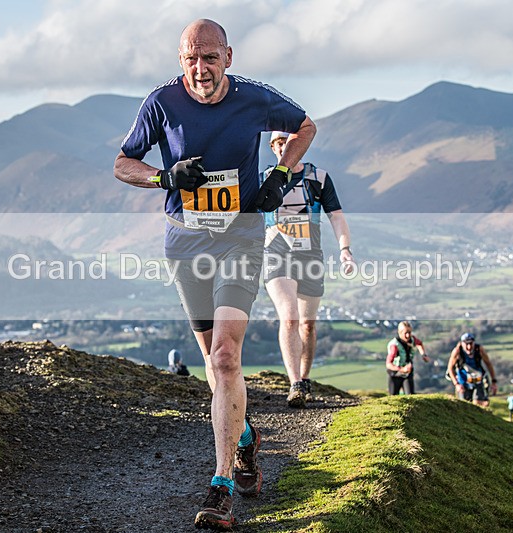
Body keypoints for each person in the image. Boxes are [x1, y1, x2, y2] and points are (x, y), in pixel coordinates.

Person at [113, 19, 316, 530]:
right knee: (210, 361)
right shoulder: (161, 103)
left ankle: (221, 485)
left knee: (226, 356)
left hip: (240, 235)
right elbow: (122, 163)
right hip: (185, 241)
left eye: (209, 57)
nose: (200, 69)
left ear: (228, 56)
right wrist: (164, 176)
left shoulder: (254, 98)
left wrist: (281, 175)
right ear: (180, 60)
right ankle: (244, 437)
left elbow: (305, 127)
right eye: (190, 59)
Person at [261, 131, 355, 408]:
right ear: (273, 148)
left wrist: (345, 249)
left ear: (300, 145)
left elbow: (335, 216)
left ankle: (304, 378)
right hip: (276, 255)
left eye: (288, 143)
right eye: (278, 144)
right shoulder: (264, 179)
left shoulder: (319, 178)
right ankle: (295, 384)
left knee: (307, 324)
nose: (283, 149)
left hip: (310, 256)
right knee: (289, 317)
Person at [447, 332, 498, 407]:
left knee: (478, 404)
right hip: (463, 382)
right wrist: (456, 384)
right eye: (466, 344)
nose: (469, 347)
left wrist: (494, 381)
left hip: (477, 380)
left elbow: (488, 364)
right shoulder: (457, 351)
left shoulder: (479, 349)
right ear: (462, 343)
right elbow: (450, 368)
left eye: (471, 343)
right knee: (464, 406)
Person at [384, 321, 431, 396]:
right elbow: (388, 364)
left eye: (409, 332)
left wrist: (423, 355)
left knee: (410, 395)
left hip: (407, 372)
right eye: (405, 333)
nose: (408, 335)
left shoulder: (412, 339)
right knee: (393, 396)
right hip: (395, 374)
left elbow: (419, 343)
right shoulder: (394, 346)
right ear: (399, 333)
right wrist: (401, 369)